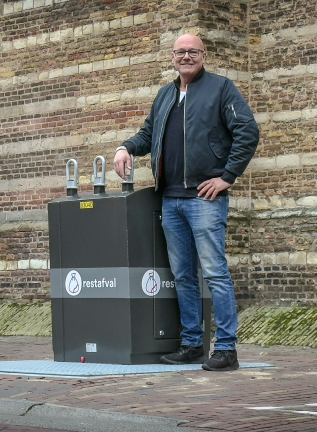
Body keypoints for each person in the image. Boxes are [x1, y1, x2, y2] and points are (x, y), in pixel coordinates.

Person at [113, 34, 259, 371]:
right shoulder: (165, 94)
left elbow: (247, 131)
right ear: (173, 57)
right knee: (183, 276)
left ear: (204, 55)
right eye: (181, 52)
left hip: (204, 199)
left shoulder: (222, 89)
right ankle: (192, 343)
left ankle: (226, 349)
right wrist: (125, 147)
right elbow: (148, 134)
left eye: (193, 51)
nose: (186, 56)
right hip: (171, 200)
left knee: (215, 274)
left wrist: (227, 177)